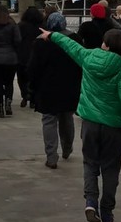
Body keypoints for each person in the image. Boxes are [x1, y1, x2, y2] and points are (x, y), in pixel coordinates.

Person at [39, 26, 121, 222]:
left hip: (90, 123)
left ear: (106, 46)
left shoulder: (88, 57)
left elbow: (70, 45)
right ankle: (107, 212)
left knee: (90, 164)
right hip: (113, 127)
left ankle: (90, 201)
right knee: (111, 169)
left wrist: (51, 35)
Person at [28, 12, 82, 169]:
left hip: (47, 86)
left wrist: (32, 86)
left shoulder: (41, 42)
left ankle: (51, 155)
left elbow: (33, 67)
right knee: (67, 117)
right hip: (69, 85)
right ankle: (67, 147)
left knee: (49, 120)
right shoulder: (75, 39)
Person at [16, 6, 45, 108]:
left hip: (23, 54)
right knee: (35, 77)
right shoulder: (42, 26)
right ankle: (33, 99)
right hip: (37, 54)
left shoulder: (21, 26)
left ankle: (25, 95)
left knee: (22, 77)